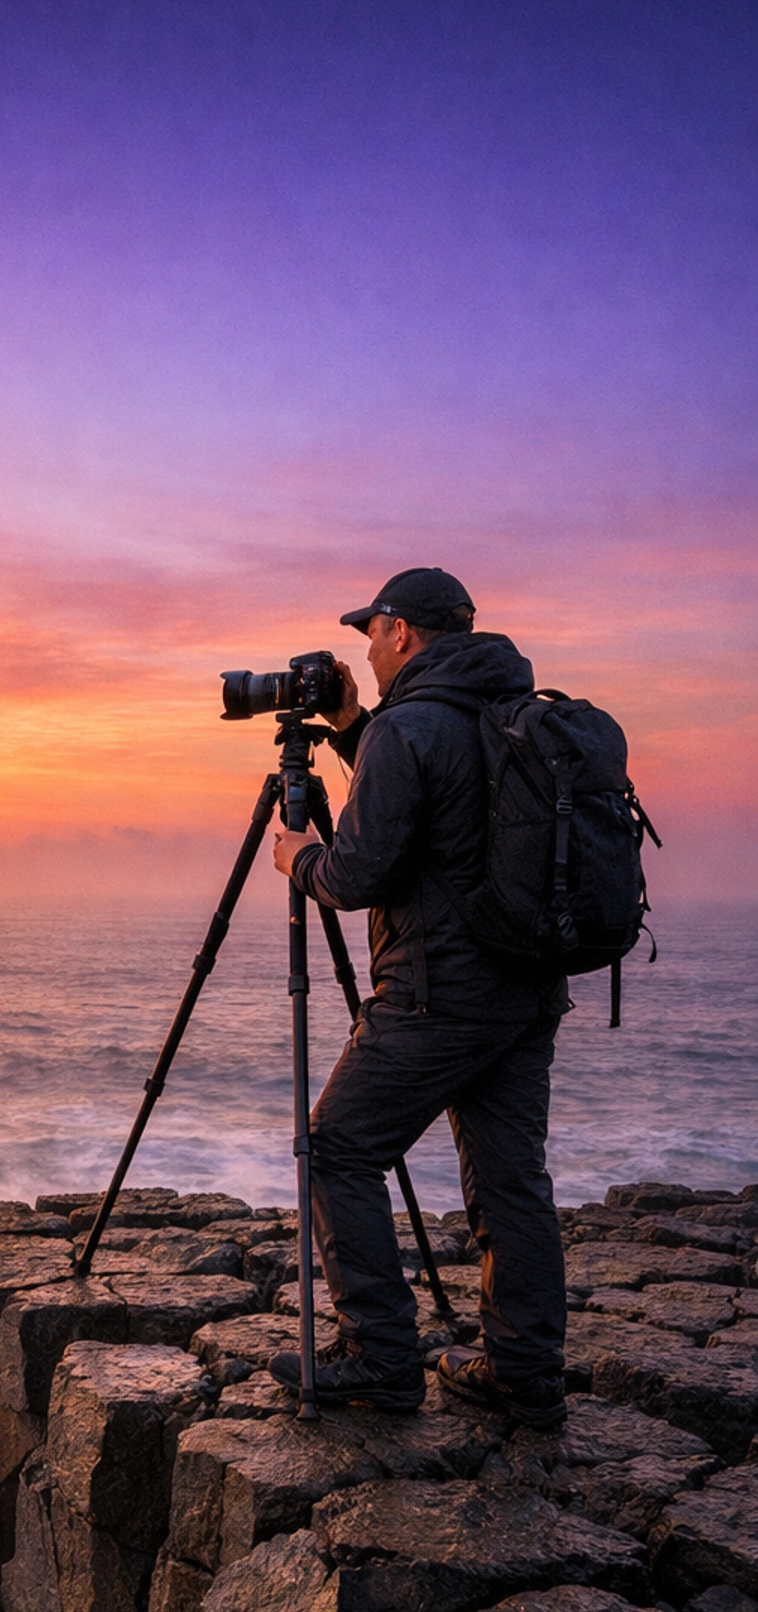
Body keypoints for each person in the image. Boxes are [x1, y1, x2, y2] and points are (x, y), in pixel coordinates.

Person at [264, 566, 569, 1427]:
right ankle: (524, 1370)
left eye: (373, 632)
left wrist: (298, 861)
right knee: (513, 1180)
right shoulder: (500, 710)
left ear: (400, 631)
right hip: (525, 992)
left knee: (337, 1150)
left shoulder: (415, 725)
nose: (368, 647)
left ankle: (380, 1357)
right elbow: (440, 807)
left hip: (437, 992)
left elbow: (359, 871)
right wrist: (354, 725)